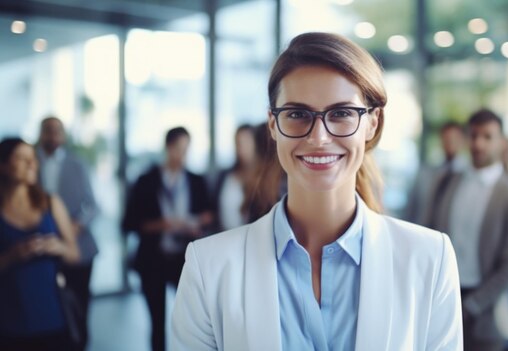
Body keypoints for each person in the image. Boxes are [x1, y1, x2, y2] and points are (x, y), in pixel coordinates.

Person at [171, 32, 463, 350]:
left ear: (373, 123)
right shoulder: (209, 267)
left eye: (341, 114)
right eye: (297, 114)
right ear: (272, 124)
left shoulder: (429, 260)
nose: (319, 137)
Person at [425, 109, 508, 351]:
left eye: (487, 137)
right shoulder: (446, 182)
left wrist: (473, 305)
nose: (478, 143)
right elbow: (429, 238)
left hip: (487, 309)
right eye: (474, 136)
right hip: (443, 299)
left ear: (502, 142)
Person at [122, 127, 213, 351]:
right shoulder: (146, 181)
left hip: (184, 260)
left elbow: (210, 215)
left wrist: (197, 223)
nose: (182, 155)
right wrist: (162, 225)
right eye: (178, 149)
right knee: (157, 322)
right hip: (153, 259)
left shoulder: (195, 180)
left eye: (186, 150)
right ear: (167, 148)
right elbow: (129, 223)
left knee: (194, 319)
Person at [0, 138, 80, 351]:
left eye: (32, 158)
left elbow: (74, 254)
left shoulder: (51, 202)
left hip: (53, 317)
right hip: (9, 322)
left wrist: (57, 247)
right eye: (21, 158)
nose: (31, 164)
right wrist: (13, 255)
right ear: (4, 165)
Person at [36, 116, 99, 351]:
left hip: (79, 247)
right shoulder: (31, 163)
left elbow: (92, 206)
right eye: (47, 131)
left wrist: (75, 226)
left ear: (63, 135)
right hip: (42, 247)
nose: (52, 136)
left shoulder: (77, 164)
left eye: (57, 131)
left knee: (79, 305)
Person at [404, 121, 467, 225]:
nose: (450, 143)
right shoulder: (427, 173)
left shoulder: (467, 176)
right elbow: (412, 207)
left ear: (462, 141)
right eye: (446, 139)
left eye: (454, 139)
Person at [211, 124, 258, 231]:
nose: (241, 148)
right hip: (223, 237)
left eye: (246, 142)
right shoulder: (224, 175)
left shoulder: (262, 179)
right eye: (238, 143)